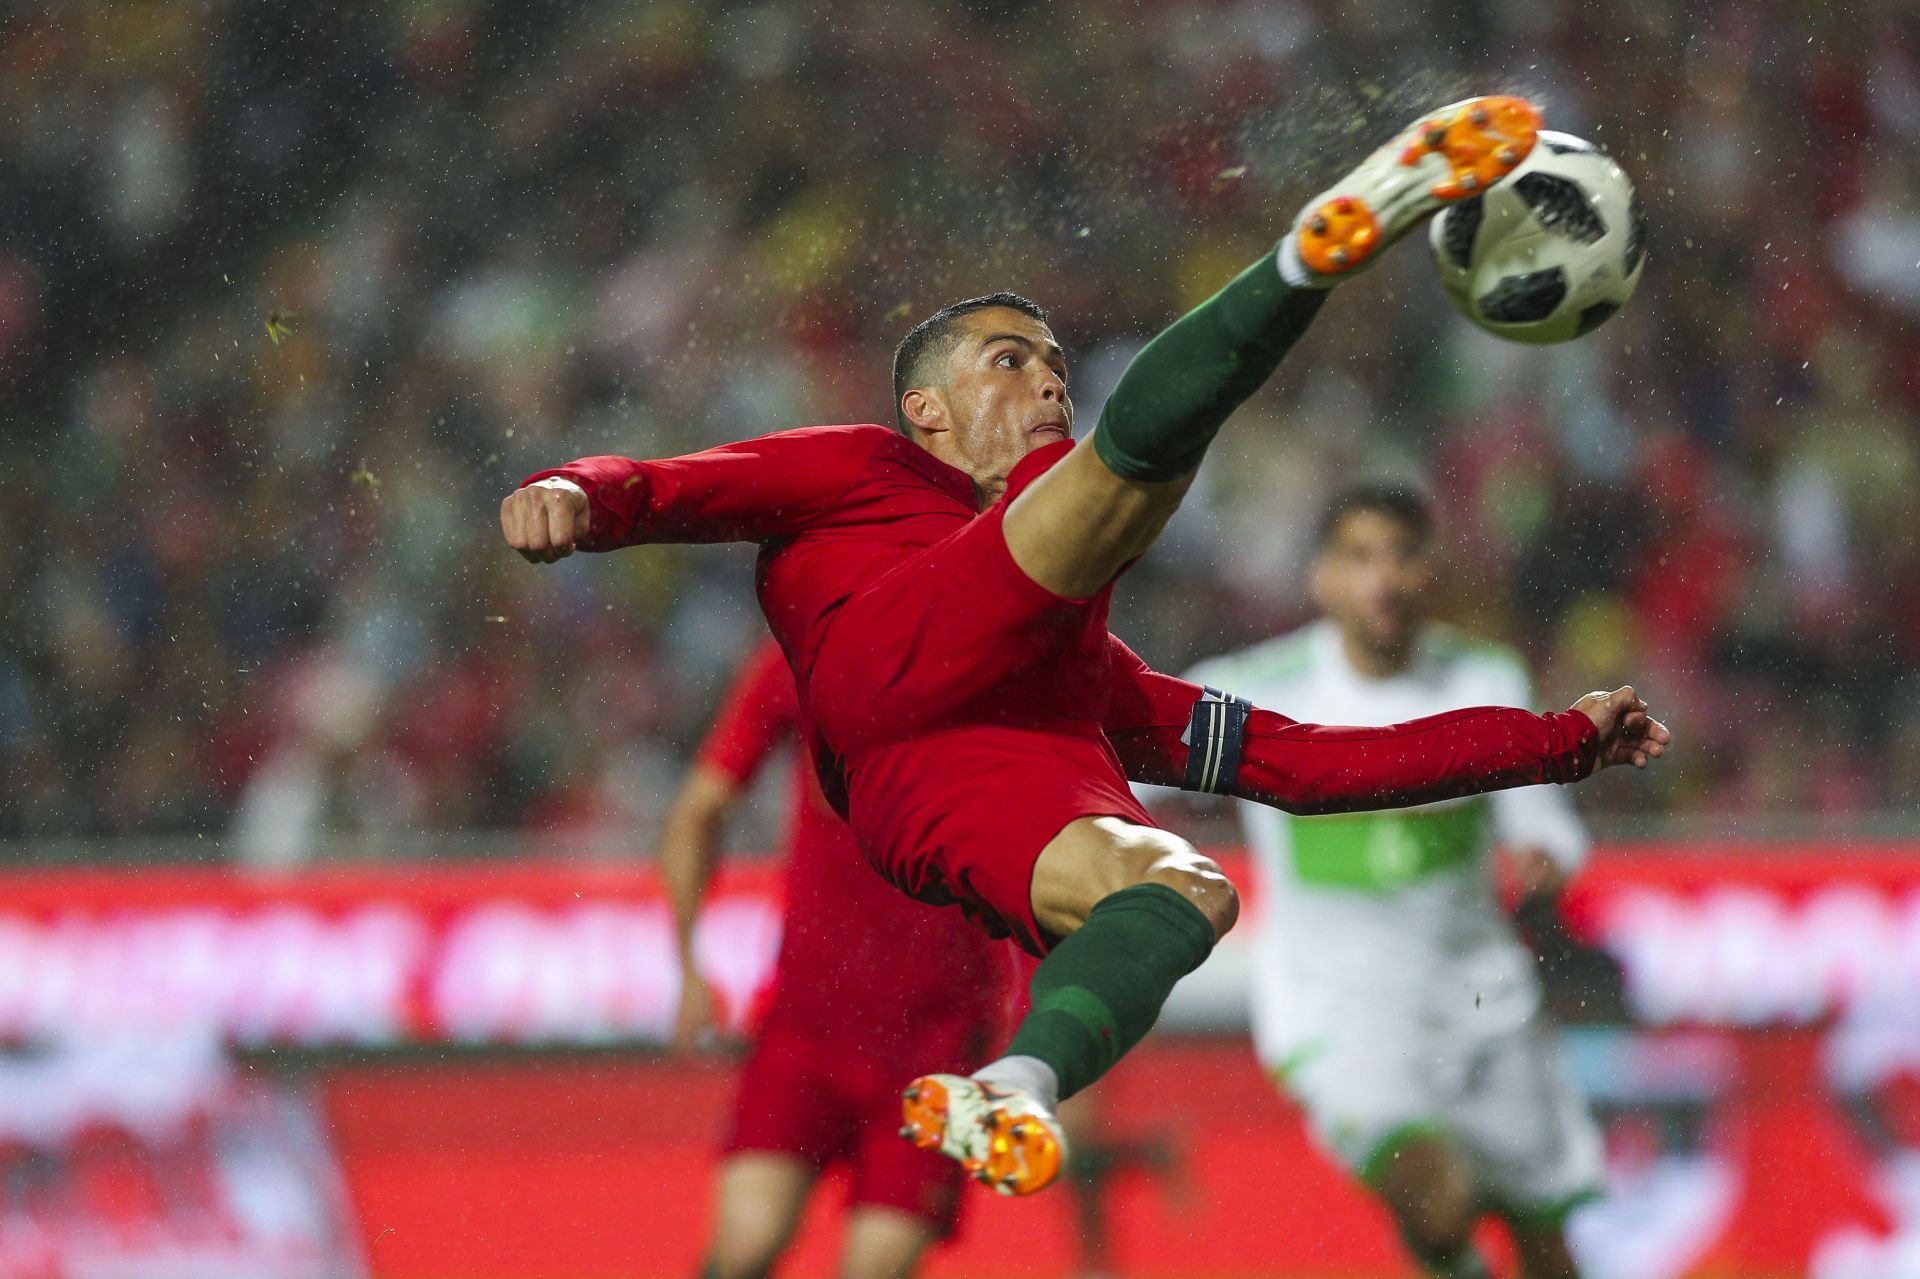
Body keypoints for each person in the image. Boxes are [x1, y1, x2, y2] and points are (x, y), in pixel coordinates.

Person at [501, 94, 1671, 1197]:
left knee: (1186, 887)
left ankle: (1013, 1087)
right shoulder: (864, 467)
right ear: (930, 412)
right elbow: (662, 485)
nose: (1048, 381)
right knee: (1092, 482)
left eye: (1058, 366)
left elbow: (1313, 766)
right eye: (1011, 362)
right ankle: (1313, 253)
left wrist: (1562, 741)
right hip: (889, 659)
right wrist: (573, 492)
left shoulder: (1087, 673)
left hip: (963, 779)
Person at [1183, 485, 1602, 1279]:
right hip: (1344, 1017)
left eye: (1402, 555)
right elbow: (1121, 769)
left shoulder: (1482, 679)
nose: (1383, 579)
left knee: (1548, 1247)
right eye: (1361, 557)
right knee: (1440, 1200)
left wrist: (1547, 854)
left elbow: (1541, 821)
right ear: (1322, 578)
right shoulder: (1258, 693)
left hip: (1484, 1008)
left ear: (1429, 572)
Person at [661, 638, 1015, 1278]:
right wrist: (688, 966)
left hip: (944, 1048)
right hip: (807, 1026)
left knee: (876, 1270)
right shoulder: (803, 658)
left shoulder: (996, 662)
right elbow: (699, 810)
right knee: (744, 1244)